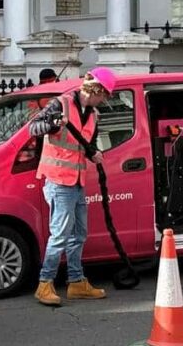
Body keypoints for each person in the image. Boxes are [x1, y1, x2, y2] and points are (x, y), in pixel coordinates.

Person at [27, 67, 117, 307]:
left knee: (78, 234)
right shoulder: (61, 104)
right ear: (95, 90)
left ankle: (76, 282)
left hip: (77, 181)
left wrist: (94, 153)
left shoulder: (93, 115)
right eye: (104, 95)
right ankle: (44, 284)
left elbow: (86, 145)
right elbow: (33, 128)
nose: (104, 100)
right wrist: (53, 123)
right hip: (58, 181)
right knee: (60, 235)